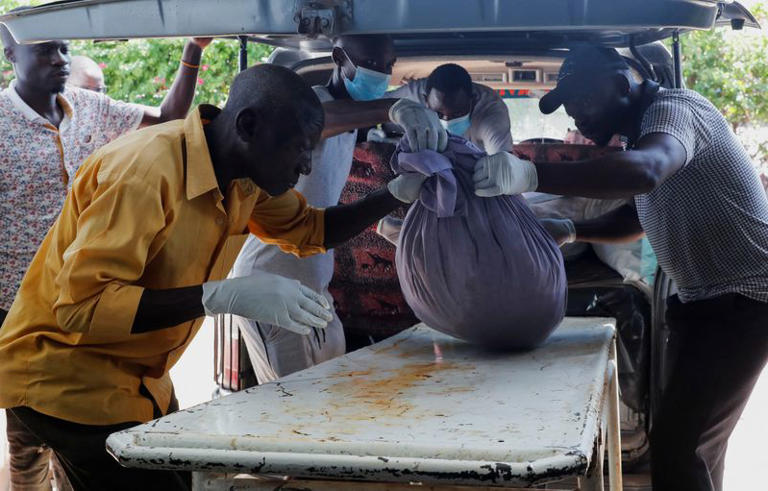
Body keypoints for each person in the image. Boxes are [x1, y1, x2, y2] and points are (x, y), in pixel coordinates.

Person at [0, 63, 441, 490]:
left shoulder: (242, 176)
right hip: (66, 377)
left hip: (138, 380)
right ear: (248, 126)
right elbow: (82, 307)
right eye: (298, 148)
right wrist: (220, 296)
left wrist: (396, 192)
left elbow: (313, 230)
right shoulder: (145, 173)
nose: (307, 166)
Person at [471, 46, 768, 491]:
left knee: (679, 447)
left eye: (583, 100)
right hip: (706, 301)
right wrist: (572, 230)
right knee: (696, 445)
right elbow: (636, 216)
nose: (576, 116)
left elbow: (645, 172)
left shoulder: (674, 110)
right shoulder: (638, 138)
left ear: (621, 84)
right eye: (569, 106)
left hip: (742, 300)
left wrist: (531, 175)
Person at [0, 11, 211, 489]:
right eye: (45, 50)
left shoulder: (88, 107)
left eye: (64, 49)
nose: (59, 59)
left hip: (91, 303)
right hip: (21, 314)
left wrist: (192, 51)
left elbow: (169, 120)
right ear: (10, 54)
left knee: (84, 437)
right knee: (29, 441)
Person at [232, 34, 446, 382]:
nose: (381, 73)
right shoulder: (314, 105)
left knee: (334, 390)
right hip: (270, 281)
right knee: (296, 402)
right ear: (339, 58)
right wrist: (390, 108)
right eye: (371, 64)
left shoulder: (352, 126)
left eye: (388, 65)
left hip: (314, 284)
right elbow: (316, 120)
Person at [386, 63, 513, 154]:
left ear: (473, 100)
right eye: (438, 114)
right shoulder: (410, 96)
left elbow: (502, 160)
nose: (447, 121)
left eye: (457, 113)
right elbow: (375, 106)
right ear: (425, 100)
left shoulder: (491, 112)